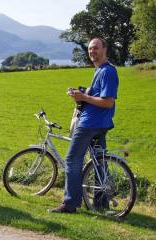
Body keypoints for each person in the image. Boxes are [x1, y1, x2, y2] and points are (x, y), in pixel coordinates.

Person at [51, 37, 119, 213]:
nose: (92, 51)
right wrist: (80, 93)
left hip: (90, 124)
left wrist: (84, 98)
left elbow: (108, 102)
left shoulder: (107, 72)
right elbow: (96, 95)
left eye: (96, 48)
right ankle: (101, 204)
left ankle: (70, 203)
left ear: (105, 49)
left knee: (72, 160)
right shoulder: (100, 70)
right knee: (99, 163)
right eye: (90, 49)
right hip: (100, 124)